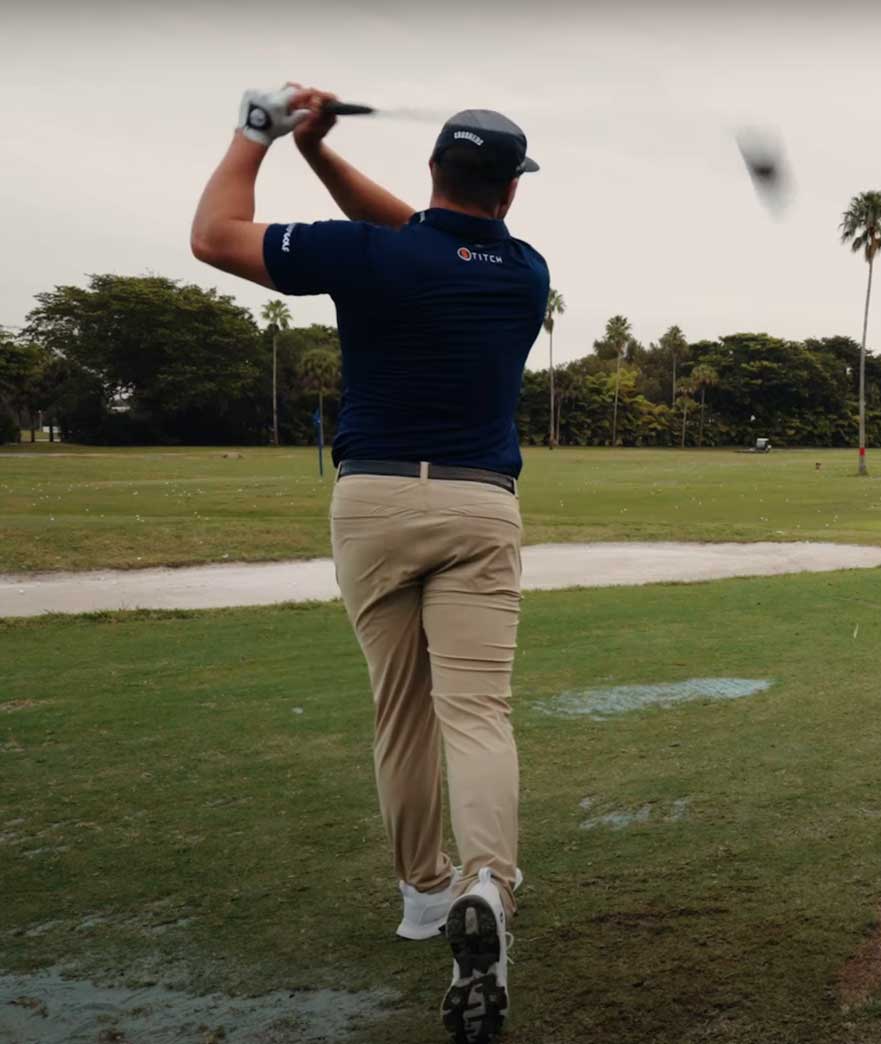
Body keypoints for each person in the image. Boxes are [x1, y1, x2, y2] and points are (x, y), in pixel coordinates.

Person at [191, 84, 547, 1042]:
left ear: (434, 169)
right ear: (509, 193)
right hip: (479, 503)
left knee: (400, 710)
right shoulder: (522, 271)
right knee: (475, 712)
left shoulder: (372, 255)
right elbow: (433, 233)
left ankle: (426, 897)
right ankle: (489, 886)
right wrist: (318, 150)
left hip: (374, 499)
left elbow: (215, 234)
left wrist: (262, 133)